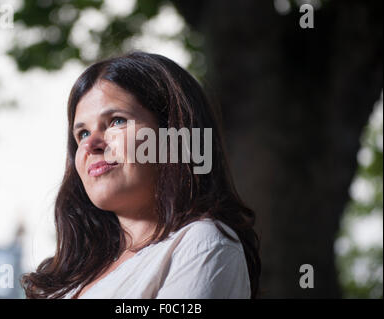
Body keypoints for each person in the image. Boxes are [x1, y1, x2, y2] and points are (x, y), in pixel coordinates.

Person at [21, 51, 261, 299]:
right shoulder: (72, 273)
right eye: (81, 133)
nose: (90, 144)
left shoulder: (203, 243)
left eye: (116, 121)